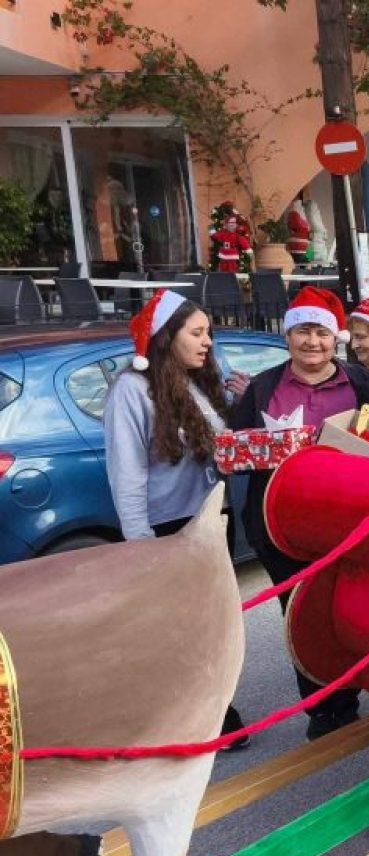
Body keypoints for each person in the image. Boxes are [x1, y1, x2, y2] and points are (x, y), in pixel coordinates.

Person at [229, 286, 369, 741]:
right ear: (288, 336)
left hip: (347, 525)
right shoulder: (264, 387)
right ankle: (318, 706)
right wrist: (261, 449)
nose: (311, 341)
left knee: (345, 613)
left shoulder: (363, 384)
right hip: (280, 527)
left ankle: (349, 696)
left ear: (334, 337)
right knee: (298, 617)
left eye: (320, 331)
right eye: (302, 331)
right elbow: (236, 448)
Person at [102, 288, 248, 749]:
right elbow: (125, 472)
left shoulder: (198, 383)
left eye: (209, 332)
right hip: (167, 528)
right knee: (180, 628)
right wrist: (140, 542)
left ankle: (212, 710)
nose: (208, 342)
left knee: (212, 622)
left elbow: (224, 450)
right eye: (198, 333)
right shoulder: (131, 389)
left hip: (210, 518)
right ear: (169, 336)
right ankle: (197, 720)